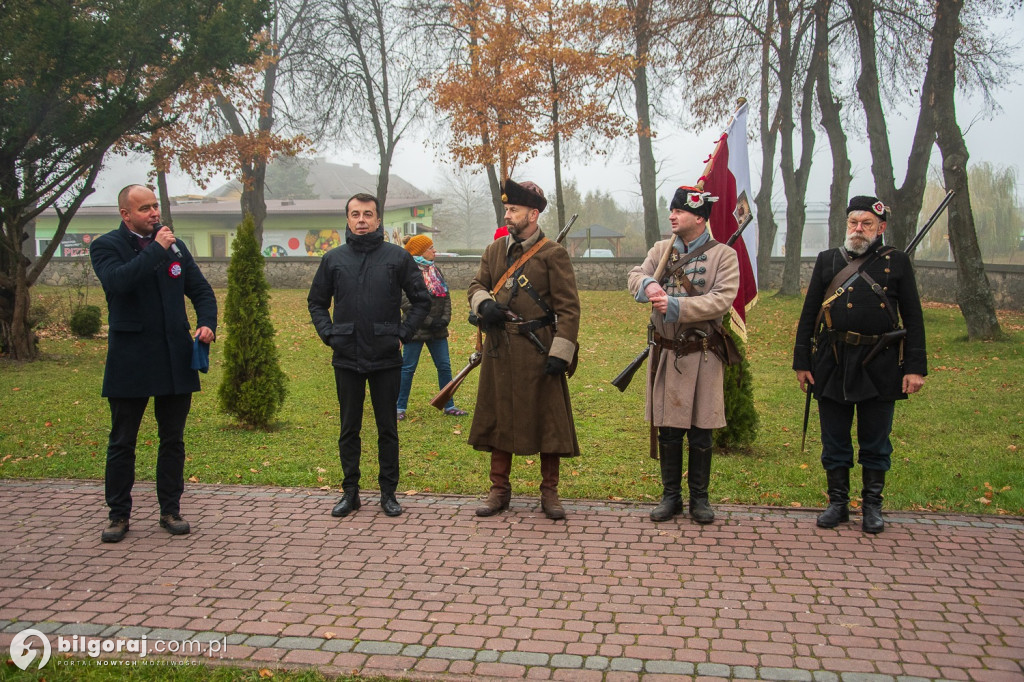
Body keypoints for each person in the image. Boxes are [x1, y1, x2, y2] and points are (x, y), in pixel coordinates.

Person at [89, 184, 217, 543]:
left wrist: (207, 322)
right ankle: (118, 515)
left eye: (155, 206)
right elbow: (119, 283)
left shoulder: (175, 247)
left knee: (172, 440)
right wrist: (157, 249)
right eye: (144, 208)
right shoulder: (106, 247)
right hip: (130, 360)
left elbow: (202, 291)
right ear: (125, 214)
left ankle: (170, 509)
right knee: (122, 441)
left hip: (175, 357)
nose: (153, 213)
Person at [793, 195, 926, 534]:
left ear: (880, 228)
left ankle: (872, 506)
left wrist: (914, 367)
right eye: (853, 222)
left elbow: (912, 316)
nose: (858, 229)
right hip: (833, 360)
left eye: (866, 223)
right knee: (834, 437)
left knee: (875, 439)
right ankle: (837, 503)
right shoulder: (828, 261)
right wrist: (802, 362)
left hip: (879, 362)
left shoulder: (896, 262)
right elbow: (809, 315)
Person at [308, 193, 431, 519]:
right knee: (349, 428)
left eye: (367, 214)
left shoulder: (397, 258)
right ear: (347, 219)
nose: (361, 219)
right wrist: (330, 334)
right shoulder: (333, 259)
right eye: (355, 214)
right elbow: (316, 302)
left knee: (387, 428)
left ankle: (388, 493)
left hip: (385, 356)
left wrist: (403, 333)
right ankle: (351, 493)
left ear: (378, 220)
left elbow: (422, 300)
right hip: (346, 356)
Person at [468, 179, 581, 520]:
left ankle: (550, 492)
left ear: (533, 214)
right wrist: (483, 304)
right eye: (507, 209)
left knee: (548, 421)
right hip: (500, 349)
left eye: (514, 210)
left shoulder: (553, 254)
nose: (508, 215)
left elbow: (569, 308)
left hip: (539, 349)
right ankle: (499, 490)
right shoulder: (494, 251)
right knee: (499, 416)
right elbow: (477, 285)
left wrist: (560, 352)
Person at [627, 186, 739, 525]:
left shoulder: (723, 255)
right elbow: (635, 275)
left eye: (679, 211)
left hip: (702, 352)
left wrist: (677, 305)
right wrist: (648, 285)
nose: (672, 216)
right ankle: (670, 497)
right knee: (669, 430)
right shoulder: (662, 250)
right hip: (666, 351)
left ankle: (700, 500)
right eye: (672, 210)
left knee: (701, 430)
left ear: (700, 218)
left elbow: (722, 299)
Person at [396, 234, 468, 420]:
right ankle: (398, 408)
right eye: (430, 248)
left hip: (438, 330)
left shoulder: (435, 271)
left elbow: (446, 296)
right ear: (420, 252)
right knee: (408, 368)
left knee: (444, 367)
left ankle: (448, 405)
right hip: (416, 329)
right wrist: (428, 321)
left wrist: (444, 319)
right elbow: (406, 302)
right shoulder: (407, 272)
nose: (434, 250)